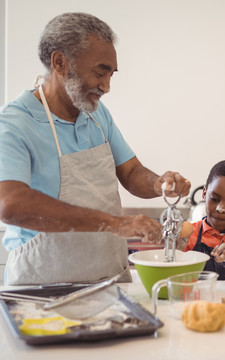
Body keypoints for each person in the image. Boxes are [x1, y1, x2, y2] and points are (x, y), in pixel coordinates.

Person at [0, 13, 191, 285]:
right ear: (60, 62)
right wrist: (117, 223)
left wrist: (158, 183)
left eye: (111, 74)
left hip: (109, 282)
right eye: (100, 72)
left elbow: (131, 171)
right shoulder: (13, 123)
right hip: (40, 289)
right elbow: (11, 205)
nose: (106, 86)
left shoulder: (97, 115)